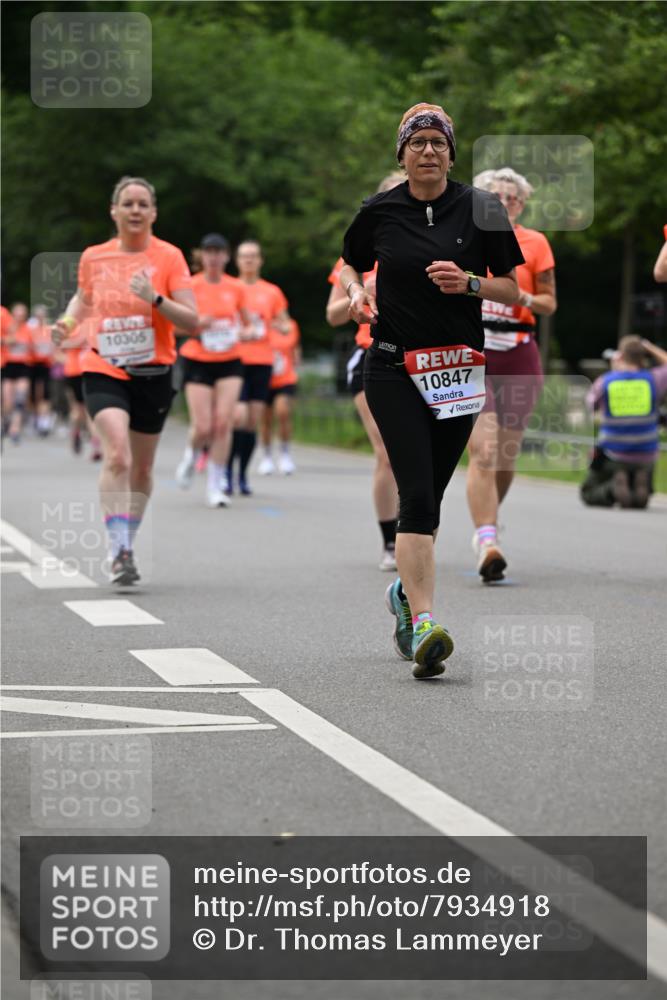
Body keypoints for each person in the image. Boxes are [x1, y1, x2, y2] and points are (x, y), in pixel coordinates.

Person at [340, 102, 523, 678]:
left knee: (432, 499)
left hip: (457, 370)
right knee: (417, 495)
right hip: (392, 366)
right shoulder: (379, 211)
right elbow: (348, 264)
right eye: (416, 142)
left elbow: (513, 290)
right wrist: (355, 292)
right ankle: (425, 624)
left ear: (451, 152)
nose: (427, 151)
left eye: (437, 142)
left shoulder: (482, 208)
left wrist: (470, 284)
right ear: (402, 154)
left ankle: (403, 592)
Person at [52, 176, 197, 585]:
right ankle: (119, 551)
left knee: (142, 467)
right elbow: (83, 298)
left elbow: (192, 321)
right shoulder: (94, 257)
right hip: (104, 366)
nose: (135, 210)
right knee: (118, 454)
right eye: (128, 203)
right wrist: (67, 323)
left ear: (153, 213)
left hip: (154, 372)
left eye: (142, 204)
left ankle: (127, 538)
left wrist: (155, 298)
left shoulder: (169, 257)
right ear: (114, 211)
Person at [466, 167, 557, 581]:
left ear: (521, 205)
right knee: (483, 451)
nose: (504, 204)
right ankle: (487, 540)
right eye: (496, 197)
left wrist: (522, 296)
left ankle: (489, 521)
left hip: (519, 352)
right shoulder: (464, 237)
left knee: (505, 456)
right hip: (474, 353)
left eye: (512, 198)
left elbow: (549, 303)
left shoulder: (536, 243)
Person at [326, 171, 405, 572]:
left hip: (419, 358)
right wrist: (361, 292)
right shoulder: (359, 253)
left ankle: (416, 533)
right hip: (370, 355)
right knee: (387, 453)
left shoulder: (433, 246)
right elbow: (332, 314)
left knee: (420, 455)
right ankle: (391, 541)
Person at [175, 233, 248, 506]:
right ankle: (191, 455)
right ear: (202, 256)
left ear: (226, 256)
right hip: (198, 358)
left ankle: (216, 485)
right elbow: (173, 326)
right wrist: (196, 325)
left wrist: (245, 332)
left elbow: (249, 324)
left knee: (223, 423)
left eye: (219, 252)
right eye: (209, 252)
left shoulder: (236, 287)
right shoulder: (190, 286)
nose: (214, 257)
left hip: (230, 359)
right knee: (203, 426)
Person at [227, 240, 291, 495]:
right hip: (235, 361)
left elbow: (285, 323)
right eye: (244, 256)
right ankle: (226, 472)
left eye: (253, 256)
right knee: (238, 417)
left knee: (251, 421)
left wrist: (279, 326)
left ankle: (242, 475)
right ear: (237, 260)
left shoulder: (272, 292)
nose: (249, 260)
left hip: (262, 362)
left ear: (260, 260)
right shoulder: (229, 288)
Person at [581, 336, 667, 509]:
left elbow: (590, 404)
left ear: (620, 356)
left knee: (588, 493)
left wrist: (615, 369)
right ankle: (641, 486)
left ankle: (613, 488)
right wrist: (649, 347)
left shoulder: (606, 381)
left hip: (614, 453)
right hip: (646, 453)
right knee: (640, 478)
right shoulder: (653, 380)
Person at [258, 318, 301, 475]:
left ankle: (285, 454)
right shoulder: (260, 324)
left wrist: (296, 360)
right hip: (264, 379)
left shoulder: (290, 325)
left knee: (283, 412)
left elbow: (295, 347)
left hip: (285, 378)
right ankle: (267, 456)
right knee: (266, 419)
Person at [1, 303, 32, 443]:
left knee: (20, 397)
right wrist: (7, 340)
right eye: (17, 314)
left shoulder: (29, 329)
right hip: (8, 365)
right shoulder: (7, 327)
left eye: (22, 315)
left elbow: (35, 347)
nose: (20, 317)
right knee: (7, 400)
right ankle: (6, 421)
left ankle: (15, 429)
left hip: (23, 366)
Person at [28, 304, 55, 436]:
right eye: (38, 315)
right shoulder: (30, 329)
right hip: (32, 364)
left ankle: (44, 419)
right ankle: (35, 417)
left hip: (46, 365)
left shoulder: (49, 330)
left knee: (45, 392)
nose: (40, 318)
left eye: (42, 315)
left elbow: (55, 346)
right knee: (33, 392)